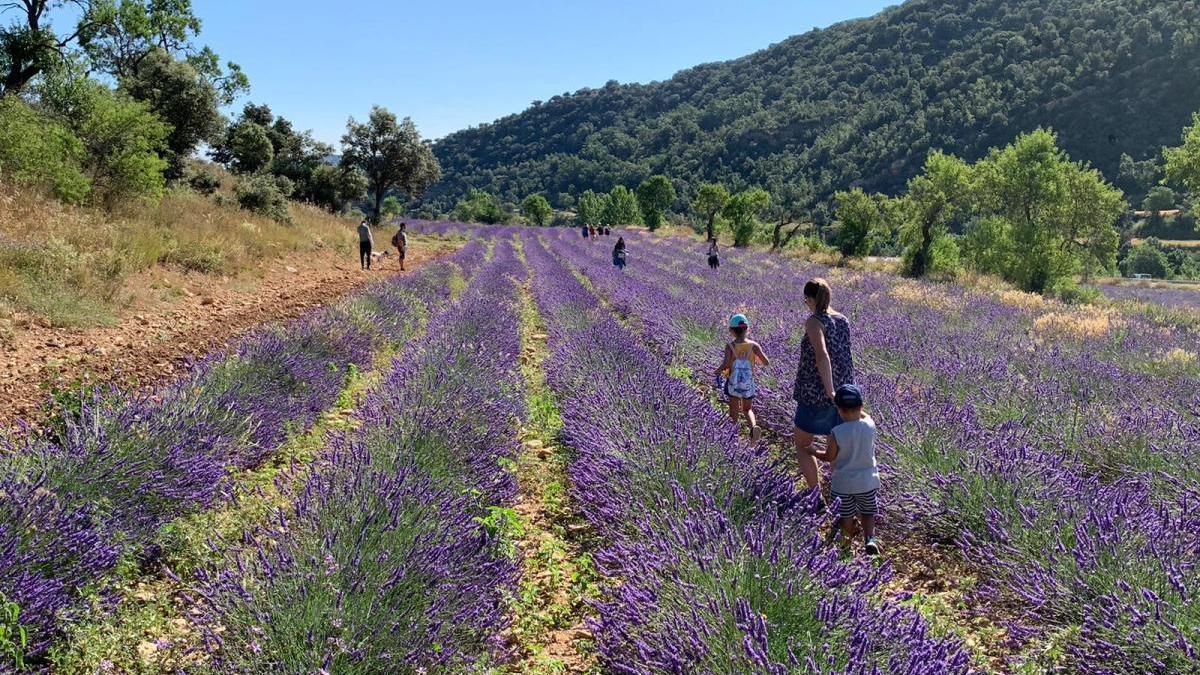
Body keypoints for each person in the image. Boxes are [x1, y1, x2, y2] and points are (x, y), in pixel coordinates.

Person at [792, 278, 855, 493]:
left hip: (817, 394)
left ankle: (815, 496)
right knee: (835, 450)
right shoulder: (843, 320)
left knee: (802, 444)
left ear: (810, 299)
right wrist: (841, 394)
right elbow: (845, 356)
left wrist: (830, 392)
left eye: (806, 299)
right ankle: (841, 502)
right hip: (845, 393)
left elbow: (822, 356)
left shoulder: (814, 321)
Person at [806, 384, 880, 555]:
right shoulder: (870, 425)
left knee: (845, 516)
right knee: (868, 514)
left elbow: (829, 457)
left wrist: (812, 451)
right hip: (868, 482)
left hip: (843, 484)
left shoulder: (836, 432)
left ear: (839, 410)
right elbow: (866, 415)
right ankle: (870, 539)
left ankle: (845, 546)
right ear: (861, 406)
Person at [714, 313, 770, 443]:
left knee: (734, 410)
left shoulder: (731, 346)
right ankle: (754, 427)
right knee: (747, 409)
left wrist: (717, 371)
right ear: (747, 329)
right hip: (748, 383)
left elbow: (726, 364)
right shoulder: (754, 346)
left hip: (733, 383)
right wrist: (755, 359)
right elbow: (766, 362)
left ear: (731, 331)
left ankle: (733, 438)